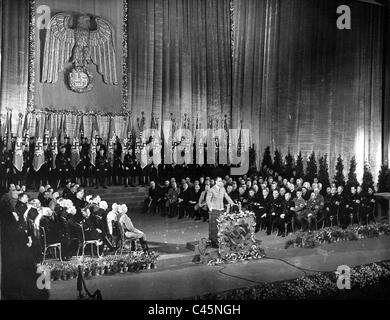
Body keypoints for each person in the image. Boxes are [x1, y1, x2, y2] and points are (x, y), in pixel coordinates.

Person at [206, 176, 234, 247]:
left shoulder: (223, 189)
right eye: (219, 181)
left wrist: (232, 203)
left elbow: (227, 197)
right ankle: (214, 241)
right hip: (214, 211)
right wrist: (210, 207)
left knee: (222, 226)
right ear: (215, 182)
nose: (220, 182)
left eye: (221, 181)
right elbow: (208, 199)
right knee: (214, 227)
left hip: (221, 210)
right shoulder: (211, 190)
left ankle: (221, 240)